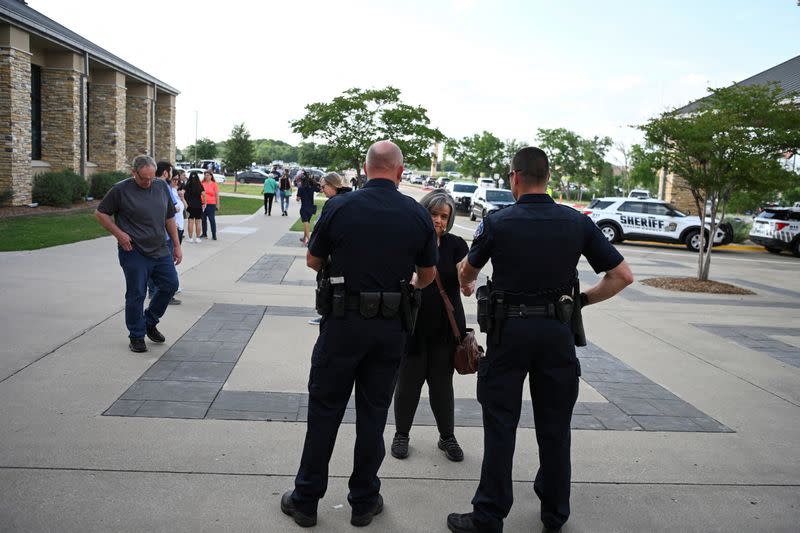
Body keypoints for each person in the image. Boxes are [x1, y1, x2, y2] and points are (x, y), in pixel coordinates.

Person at [447, 147, 634, 533]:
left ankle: (489, 515)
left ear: (515, 177)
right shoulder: (576, 222)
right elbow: (621, 276)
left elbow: (467, 270)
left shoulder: (499, 222)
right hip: (556, 334)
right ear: (547, 177)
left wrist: (466, 282)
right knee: (555, 425)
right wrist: (578, 302)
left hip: (508, 334)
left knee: (500, 424)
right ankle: (554, 512)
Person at [280, 141, 439, 529]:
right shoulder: (417, 215)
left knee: (324, 411)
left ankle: (306, 501)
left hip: (343, 324)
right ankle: (364, 502)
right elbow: (429, 274)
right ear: (401, 172)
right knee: (373, 415)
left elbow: (313, 259)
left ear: (364, 170)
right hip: (389, 329)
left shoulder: (339, 207)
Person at [391, 189, 467, 463]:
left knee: (442, 385)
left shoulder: (457, 245)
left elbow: (465, 279)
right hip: (413, 325)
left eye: (444, 216)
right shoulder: (408, 243)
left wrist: (468, 282)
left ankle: (447, 436)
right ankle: (401, 434)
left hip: (447, 327)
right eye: (433, 214)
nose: (438, 220)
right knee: (408, 383)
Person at [94, 155, 182, 353]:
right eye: (144, 178)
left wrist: (176, 245)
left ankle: (149, 321)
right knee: (137, 293)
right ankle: (136, 335)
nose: (149, 182)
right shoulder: (120, 190)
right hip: (134, 251)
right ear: (133, 173)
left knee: (170, 285)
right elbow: (100, 213)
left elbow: (169, 217)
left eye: (152, 177)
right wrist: (119, 234)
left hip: (160, 249)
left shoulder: (160, 186)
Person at [307, 172, 352, 326]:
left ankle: (327, 314)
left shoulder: (336, 203)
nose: (321, 189)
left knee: (330, 288)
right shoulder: (346, 200)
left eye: (323, 186)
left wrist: (325, 269)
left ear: (333, 185)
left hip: (335, 258)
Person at [146, 161, 182, 306]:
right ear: (166, 173)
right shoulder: (164, 187)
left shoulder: (156, 187)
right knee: (165, 272)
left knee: (154, 269)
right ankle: (159, 293)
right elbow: (172, 211)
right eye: (171, 172)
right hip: (162, 237)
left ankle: (153, 292)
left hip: (157, 235)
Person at [295, 170, 319, 245]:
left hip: (304, 208)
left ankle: (309, 240)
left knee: (306, 224)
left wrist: (299, 197)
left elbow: (298, 199)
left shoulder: (301, 188)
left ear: (301, 180)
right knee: (307, 223)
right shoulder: (312, 187)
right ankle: (304, 237)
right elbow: (319, 190)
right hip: (311, 208)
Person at [183, 171, 205, 243]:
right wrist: (204, 203)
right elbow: (204, 195)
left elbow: (182, 193)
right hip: (198, 206)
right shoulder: (199, 185)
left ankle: (190, 238)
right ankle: (198, 238)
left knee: (190, 222)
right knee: (198, 222)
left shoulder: (188, 185)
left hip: (190, 206)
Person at [201, 170, 220, 240]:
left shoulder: (214, 184)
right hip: (203, 204)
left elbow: (217, 195)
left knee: (212, 219)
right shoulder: (202, 183)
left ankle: (214, 235)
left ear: (211, 176)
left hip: (211, 204)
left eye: (208, 175)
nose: (206, 176)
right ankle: (204, 234)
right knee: (203, 219)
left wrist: (218, 204)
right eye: (205, 175)